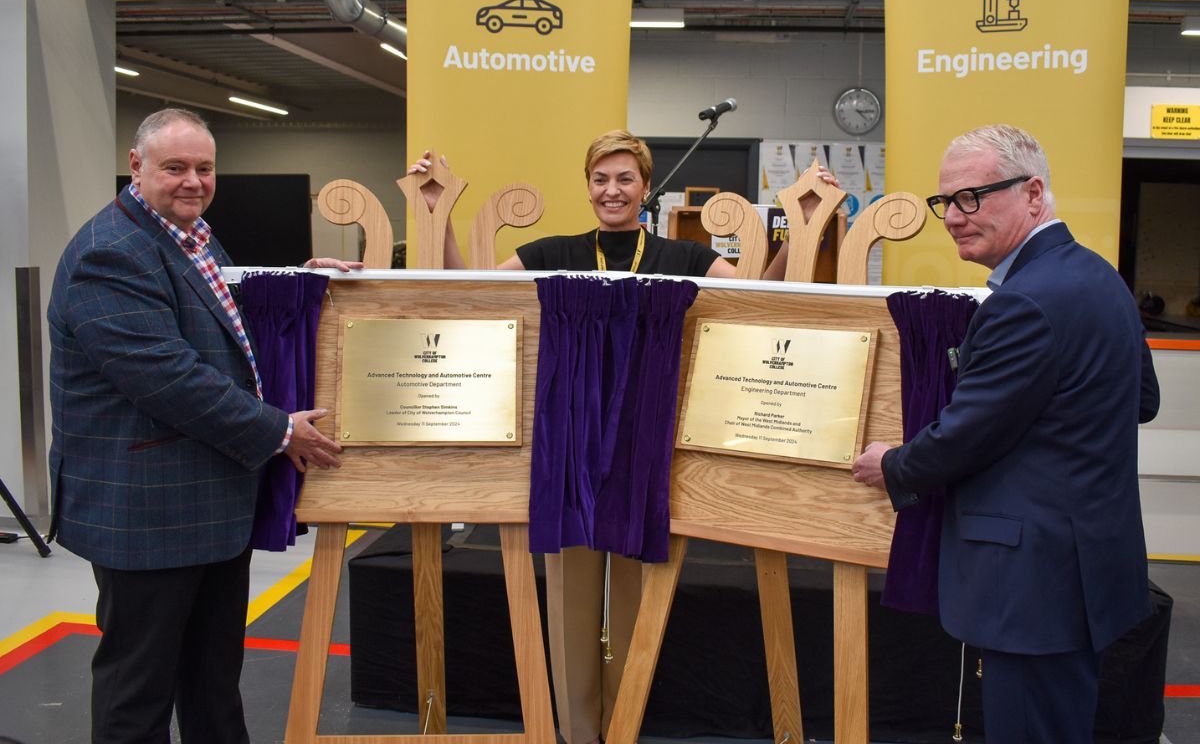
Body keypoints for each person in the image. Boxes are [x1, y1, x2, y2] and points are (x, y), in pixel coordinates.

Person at [410, 130, 837, 744]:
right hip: (569, 445)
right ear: (587, 187)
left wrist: (800, 225)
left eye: (625, 179)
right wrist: (436, 212)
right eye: (600, 179)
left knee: (638, 598)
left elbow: (756, 297)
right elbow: (471, 291)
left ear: (645, 186)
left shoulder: (683, 258)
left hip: (645, 447)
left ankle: (626, 725)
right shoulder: (553, 250)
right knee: (569, 596)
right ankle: (578, 733)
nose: (612, 190)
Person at [47, 107, 356, 744]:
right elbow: (171, 377)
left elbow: (218, 319)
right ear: (136, 166)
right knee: (140, 689)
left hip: (205, 498)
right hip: (147, 507)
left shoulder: (188, 233)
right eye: (175, 167)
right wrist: (280, 430)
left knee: (213, 678)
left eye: (204, 167)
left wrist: (299, 281)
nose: (193, 180)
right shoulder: (111, 252)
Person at [851, 124, 1159, 743]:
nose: (955, 217)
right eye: (946, 203)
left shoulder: (1024, 302)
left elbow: (966, 437)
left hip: (1034, 582)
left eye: (974, 197)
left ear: (1034, 193)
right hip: (1084, 566)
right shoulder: (1098, 276)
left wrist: (891, 465)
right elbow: (1142, 401)